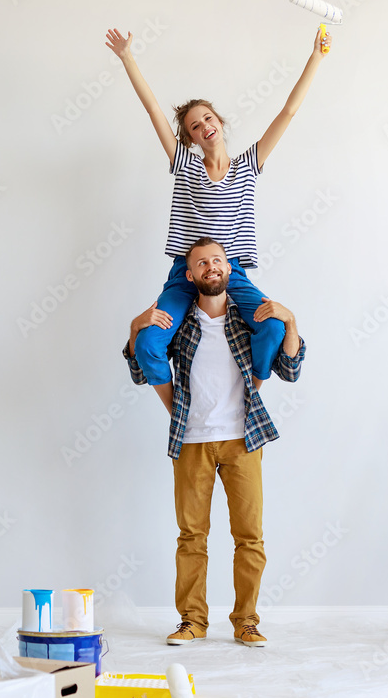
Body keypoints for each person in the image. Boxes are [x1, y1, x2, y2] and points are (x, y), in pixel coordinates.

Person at [104, 25, 328, 413]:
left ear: (219, 122)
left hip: (232, 271)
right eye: (194, 125)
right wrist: (127, 58)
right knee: (148, 343)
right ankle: (177, 409)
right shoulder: (185, 163)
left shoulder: (248, 166)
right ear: (190, 139)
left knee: (273, 327)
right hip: (184, 272)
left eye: (208, 118)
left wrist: (316, 57)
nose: (204, 126)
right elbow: (153, 109)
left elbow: (288, 111)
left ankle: (251, 392)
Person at [123, 237, 305, 647]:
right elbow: (140, 367)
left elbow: (290, 368)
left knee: (250, 536)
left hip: (244, 439)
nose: (211, 267)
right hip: (191, 442)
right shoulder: (178, 321)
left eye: (217, 261)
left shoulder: (251, 320)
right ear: (190, 275)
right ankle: (192, 621)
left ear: (230, 269)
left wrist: (291, 321)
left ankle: (246, 622)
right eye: (201, 263)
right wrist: (135, 325)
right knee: (191, 537)